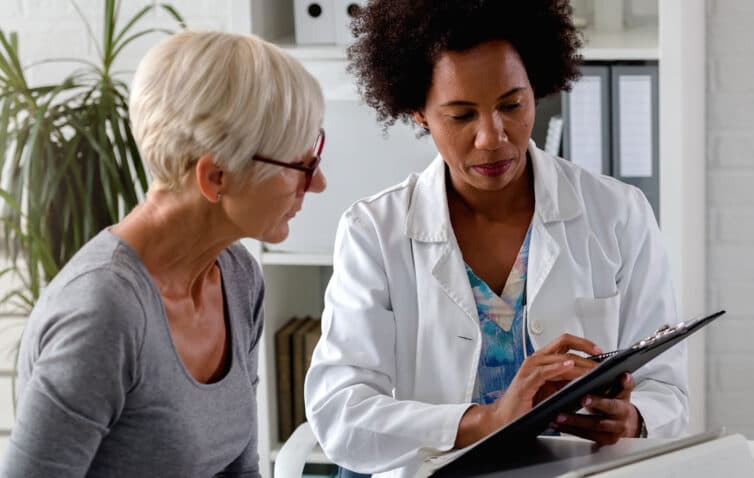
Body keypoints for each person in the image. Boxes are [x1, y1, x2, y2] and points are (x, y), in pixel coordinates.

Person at [304, 1, 686, 476]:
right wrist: (487, 421)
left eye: (512, 104)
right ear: (418, 113)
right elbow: (341, 414)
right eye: (462, 115)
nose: (493, 137)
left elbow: (666, 390)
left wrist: (634, 420)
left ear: (537, 88)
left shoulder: (618, 214)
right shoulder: (374, 233)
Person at [0, 31, 326, 477]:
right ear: (215, 177)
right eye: (301, 166)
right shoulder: (103, 314)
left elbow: (239, 469)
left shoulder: (238, 278)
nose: (319, 183)